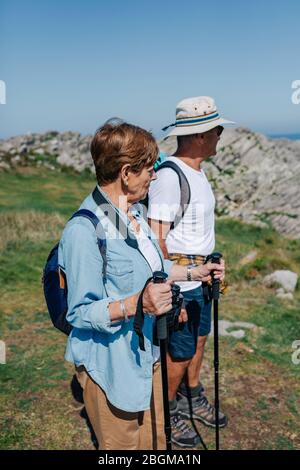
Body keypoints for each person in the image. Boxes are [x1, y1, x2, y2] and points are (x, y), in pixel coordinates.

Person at [58, 118, 223, 450]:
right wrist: (138, 303)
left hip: (146, 355)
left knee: (155, 442)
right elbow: (79, 313)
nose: (155, 175)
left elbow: (159, 270)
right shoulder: (83, 230)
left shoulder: (133, 216)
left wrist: (198, 272)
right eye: (149, 168)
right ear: (126, 173)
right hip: (111, 366)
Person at [148, 96, 234, 448]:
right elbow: (157, 240)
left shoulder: (197, 172)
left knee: (198, 340)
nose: (220, 135)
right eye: (216, 129)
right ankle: (168, 411)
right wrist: (173, 290)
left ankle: (191, 394)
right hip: (184, 280)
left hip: (202, 276)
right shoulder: (170, 177)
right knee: (179, 351)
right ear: (199, 135)